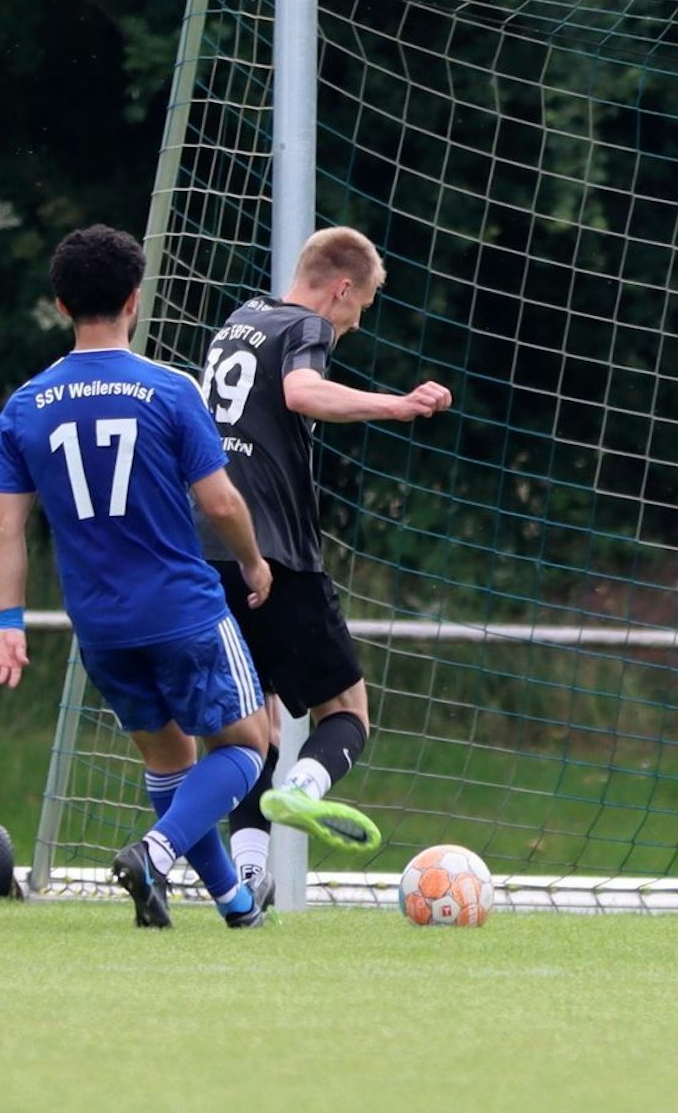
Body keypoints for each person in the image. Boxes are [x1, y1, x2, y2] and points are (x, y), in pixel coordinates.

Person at [0, 223, 301, 929]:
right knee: (249, 749)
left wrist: (8, 625)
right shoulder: (166, 389)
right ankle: (153, 856)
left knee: (168, 761)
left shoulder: (24, 406)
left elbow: (6, 528)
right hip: (181, 610)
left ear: (60, 306)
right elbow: (218, 501)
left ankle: (233, 903)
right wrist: (251, 562)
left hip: (98, 624)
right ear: (134, 298)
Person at [194, 225, 453, 900]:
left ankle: (247, 875)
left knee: (255, 725)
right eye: (357, 309)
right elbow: (304, 393)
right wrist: (394, 405)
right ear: (339, 288)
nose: (352, 325)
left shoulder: (239, 320)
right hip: (271, 553)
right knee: (347, 710)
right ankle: (304, 793)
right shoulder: (301, 327)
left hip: (202, 549)